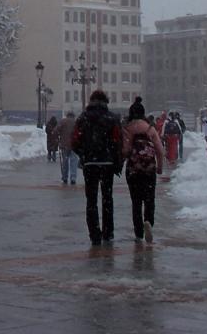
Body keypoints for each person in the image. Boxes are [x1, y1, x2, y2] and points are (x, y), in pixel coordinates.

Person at [71, 90, 122, 245]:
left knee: (91, 200)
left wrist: (84, 154)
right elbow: (117, 142)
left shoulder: (83, 118)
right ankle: (108, 232)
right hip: (107, 163)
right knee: (107, 198)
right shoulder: (112, 118)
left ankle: (94, 234)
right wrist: (115, 159)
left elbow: (75, 141)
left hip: (90, 164)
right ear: (106, 101)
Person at [121, 103, 166, 241]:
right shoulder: (150, 129)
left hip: (133, 170)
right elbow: (159, 150)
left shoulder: (127, 129)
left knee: (136, 202)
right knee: (149, 199)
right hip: (149, 169)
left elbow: (125, 151)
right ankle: (148, 221)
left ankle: (138, 232)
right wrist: (159, 167)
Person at [57, 110, 78, 184]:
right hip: (74, 146)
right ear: (73, 116)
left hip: (64, 145)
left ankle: (65, 177)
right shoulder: (76, 122)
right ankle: (73, 177)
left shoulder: (63, 121)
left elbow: (56, 130)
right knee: (74, 162)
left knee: (65, 162)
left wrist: (59, 135)